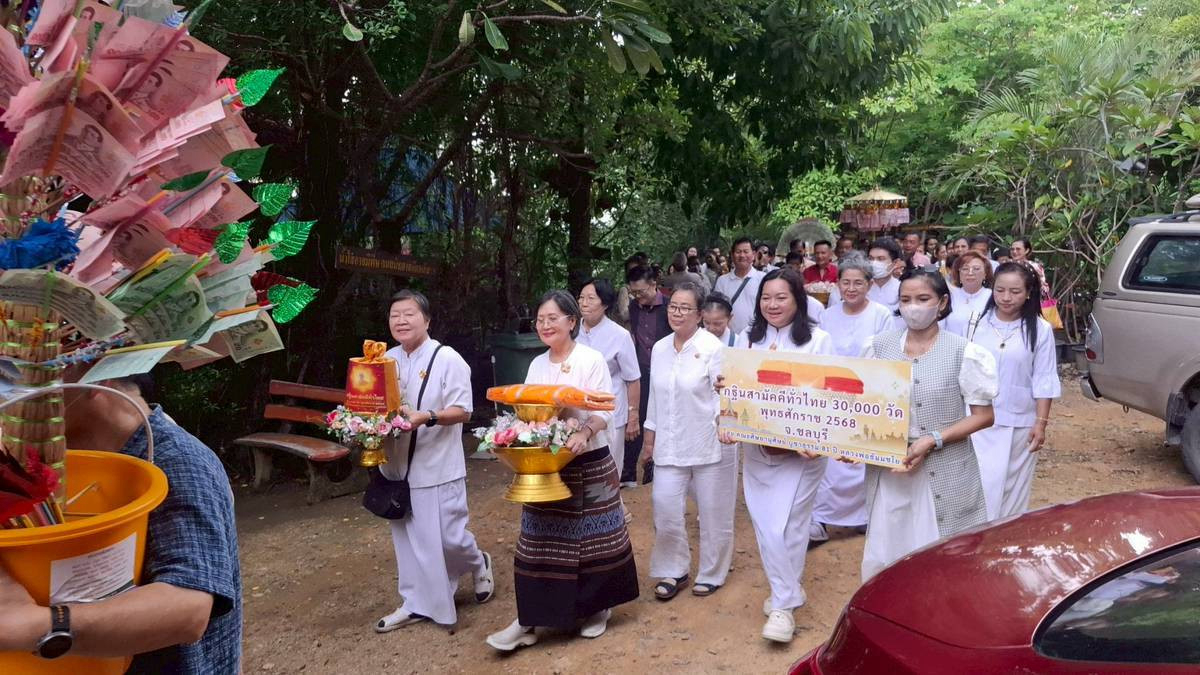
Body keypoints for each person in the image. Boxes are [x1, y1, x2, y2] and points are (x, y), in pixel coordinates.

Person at [0, 372, 242, 672]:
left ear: (97, 378)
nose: (8, 394)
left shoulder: (176, 459)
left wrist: (38, 625)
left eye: (19, 376)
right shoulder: (64, 461)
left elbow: (189, 608)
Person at [486, 291, 639, 651]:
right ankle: (528, 621)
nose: (545, 325)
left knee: (594, 541)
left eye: (552, 318)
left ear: (572, 322)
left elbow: (604, 409)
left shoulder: (591, 359)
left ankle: (598, 609)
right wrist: (511, 439)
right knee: (537, 541)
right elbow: (529, 411)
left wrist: (584, 432)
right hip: (546, 465)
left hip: (589, 461)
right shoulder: (536, 364)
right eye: (540, 319)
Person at [720, 267, 834, 644]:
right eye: (766, 298)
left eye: (781, 297)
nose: (772, 304)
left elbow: (831, 396)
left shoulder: (818, 341)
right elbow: (733, 390)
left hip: (804, 453)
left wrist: (818, 437)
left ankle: (783, 606)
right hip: (758, 451)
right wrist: (726, 408)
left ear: (798, 300)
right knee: (766, 525)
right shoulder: (745, 340)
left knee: (790, 527)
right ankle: (788, 590)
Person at [861, 270, 998, 581]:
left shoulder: (963, 351)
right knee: (887, 548)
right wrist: (853, 444)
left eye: (923, 299)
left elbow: (984, 415)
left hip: (945, 467)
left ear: (942, 302)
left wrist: (933, 439)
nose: (913, 307)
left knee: (939, 549)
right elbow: (865, 405)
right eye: (905, 299)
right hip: (891, 468)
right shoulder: (878, 347)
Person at [377, 290, 493, 632]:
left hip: (438, 465)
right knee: (408, 540)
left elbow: (463, 410)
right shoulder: (384, 360)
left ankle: (478, 562)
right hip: (396, 466)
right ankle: (415, 602)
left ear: (427, 320)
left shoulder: (448, 359)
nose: (401, 321)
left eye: (409, 314)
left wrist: (426, 416)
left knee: (448, 539)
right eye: (395, 315)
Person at [641, 282, 736, 600]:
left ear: (699, 314)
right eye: (673, 307)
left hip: (709, 442)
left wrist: (725, 425)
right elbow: (654, 397)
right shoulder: (660, 348)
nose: (677, 313)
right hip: (669, 443)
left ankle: (712, 572)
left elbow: (723, 395)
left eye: (685, 308)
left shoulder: (712, 347)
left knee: (713, 512)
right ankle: (674, 568)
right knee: (664, 506)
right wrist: (649, 440)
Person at [957, 263, 1060, 519]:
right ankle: (976, 534)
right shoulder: (975, 323)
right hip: (977, 420)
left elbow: (1044, 377)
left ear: (1028, 293)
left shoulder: (1040, 330)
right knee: (982, 485)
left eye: (1015, 292)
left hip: (1019, 421)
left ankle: (1004, 535)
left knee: (1013, 489)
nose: (1006, 298)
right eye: (1000, 290)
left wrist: (1041, 422)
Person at [810, 255, 895, 544]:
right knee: (831, 461)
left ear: (869, 285)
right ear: (837, 284)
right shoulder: (827, 315)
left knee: (862, 459)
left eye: (858, 283)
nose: (851, 288)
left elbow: (886, 356)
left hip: (866, 397)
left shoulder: (882, 315)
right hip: (831, 396)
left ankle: (864, 517)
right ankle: (821, 519)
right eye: (845, 282)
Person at [577, 278, 642, 517]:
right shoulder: (571, 331)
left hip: (611, 411)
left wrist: (633, 415)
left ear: (605, 304)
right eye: (581, 297)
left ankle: (614, 513)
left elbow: (632, 378)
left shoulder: (619, 335)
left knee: (609, 463)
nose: (584, 303)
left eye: (590, 298)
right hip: (577, 410)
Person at [624, 265, 671, 486]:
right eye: (633, 292)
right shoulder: (634, 307)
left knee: (663, 419)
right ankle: (628, 472)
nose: (637, 297)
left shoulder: (670, 307)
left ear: (653, 284)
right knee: (637, 418)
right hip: (641, 371)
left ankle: (656, 468)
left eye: (641, 291)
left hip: (666, 372)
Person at [713, 236, 766, 336]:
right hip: (729, 337)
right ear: (732, 255)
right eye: (738, 252)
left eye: (746, 251)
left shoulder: (763, 279)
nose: (742, 255)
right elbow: (716, 309)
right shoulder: (722, 281)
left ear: (753, 255)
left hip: (756, 336)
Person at [946, 251, 994, 332]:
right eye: (965, 269)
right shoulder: (950, 296)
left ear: (985, 274)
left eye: (976, 269)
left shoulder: (992, 296)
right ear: (959, 273)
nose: (970, 273)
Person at [866, 238, 904, 312]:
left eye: (880, 259)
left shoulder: (901, 289)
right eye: (871, 258)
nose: (874, 263)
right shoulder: (861, 288)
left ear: (895, 263)